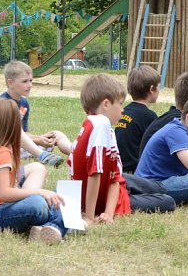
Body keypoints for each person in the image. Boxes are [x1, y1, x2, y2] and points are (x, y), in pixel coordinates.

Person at [69, 74, 174, 224]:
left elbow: (115, 177)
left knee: (159, 189)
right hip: (110, 197)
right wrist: (90, 217)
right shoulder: (100, 124)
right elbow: (94, 172)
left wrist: (109, 213)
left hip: (114, 190)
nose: (123, 109)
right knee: (167, 200)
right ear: (106, 104)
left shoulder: (99, 126)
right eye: (120, 103)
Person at [0, 99, 68, 244]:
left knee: (56, 196)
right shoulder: (1, 153)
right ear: (13, 126)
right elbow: (4, 193)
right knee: (39, 203)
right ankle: (58, 225)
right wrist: (39, 192)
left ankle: (55, 224)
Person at [0, 60, 72, 168]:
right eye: (24, 81)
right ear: (10, 83)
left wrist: (41, 138)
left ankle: (76, 152)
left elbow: (24, 133)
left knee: (56, 135)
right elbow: (8, 137)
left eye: (31, 81)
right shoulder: (2, 104)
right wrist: (38, 140)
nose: (29, 85)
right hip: (7, 148)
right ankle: (43, 155)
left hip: (24, 146)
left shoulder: (24, 103)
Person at [114, 65, 160, 173]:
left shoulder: (123, 111)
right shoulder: (149, 116)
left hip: (119, 168)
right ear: (152, 89)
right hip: (136, 172)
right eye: (159, 87)